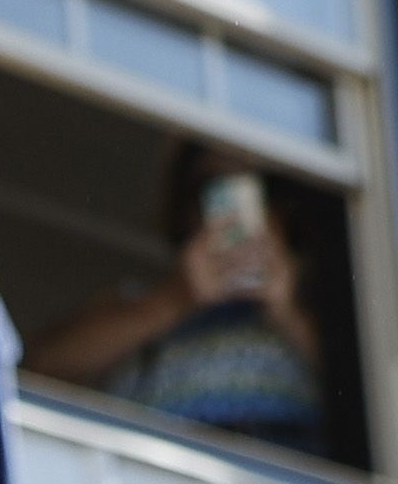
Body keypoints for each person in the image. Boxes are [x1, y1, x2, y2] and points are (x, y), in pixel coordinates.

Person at [28, 138, 333, 452]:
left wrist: (286, 311)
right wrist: (175, 300)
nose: (235, 209)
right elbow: (42, 365)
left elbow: (369, 397)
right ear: (183, 207)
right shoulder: (137, 303)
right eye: (212, 186)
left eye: (261, 187)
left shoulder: (320, 308)